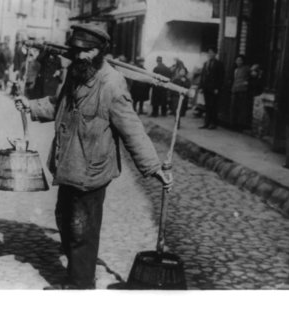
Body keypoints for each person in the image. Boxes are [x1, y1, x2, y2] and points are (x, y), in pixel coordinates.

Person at [14, 24, 173, 290]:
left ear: (101, 52)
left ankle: (81, 284)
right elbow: (59, 103)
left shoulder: (111, 84)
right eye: (77, 50)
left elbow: (131, 127)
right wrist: (31, 106)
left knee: (81, 228)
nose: (81, 56)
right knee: (64, 217)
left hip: (92, 170)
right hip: (68, 163)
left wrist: (153, 167)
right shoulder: (76, 73)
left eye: (88, 51)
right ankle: (80, 270)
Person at [199, 47, 224, 129]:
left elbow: (221, 77)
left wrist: (217, 88)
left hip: (214, 88)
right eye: (209, 53)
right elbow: (202, 76)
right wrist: (201, 87)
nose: (210, 54)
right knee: (207, 106)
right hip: (206, 88)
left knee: (213, 106)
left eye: (211, 53)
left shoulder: (219, 64)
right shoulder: (205, 63)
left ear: (215, 54)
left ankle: (213, 123)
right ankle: (206, 123)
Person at [230, 54, 251, 131]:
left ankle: (240, 126)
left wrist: (247, 82)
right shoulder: (235, 70)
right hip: (235, 90)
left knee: (241, 109)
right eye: (237, 60)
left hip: (242, 91)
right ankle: (233, 125)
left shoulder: (246, 68)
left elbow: (252, 74)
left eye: (240, 60)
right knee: (234, 108)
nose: (238, 62)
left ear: (243, 61)